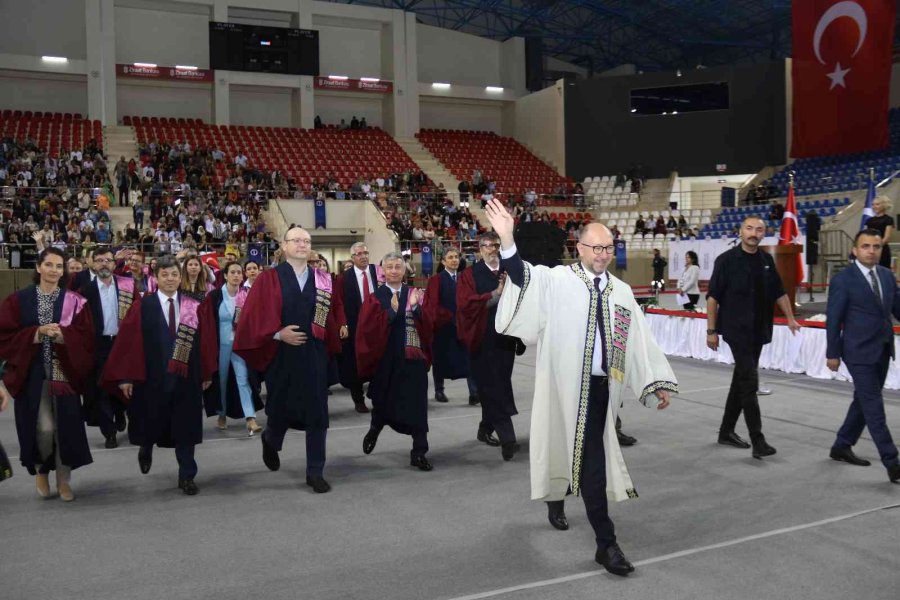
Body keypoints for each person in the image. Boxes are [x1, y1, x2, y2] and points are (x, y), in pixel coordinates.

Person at [484, 198, 677, 576]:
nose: (603, 255)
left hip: (605, 392)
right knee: (591, 463)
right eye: (596, 248)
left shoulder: (621, 292)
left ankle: (559, 497)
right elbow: (522, 277)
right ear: (580, 248)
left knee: (582, 453)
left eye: (608, 248)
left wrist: (653, 382)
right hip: (567, 387)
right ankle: (606, 544)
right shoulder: (558, 280)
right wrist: (508, 239)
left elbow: (637, 341)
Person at [234, 227, 343, 494]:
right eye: (296, 240)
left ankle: (315, 471)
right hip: (281, 354)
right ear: (283, 245)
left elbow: (330, 315)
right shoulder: (269, 278)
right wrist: (277, 333)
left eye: (306, 241)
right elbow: (253, 316)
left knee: (318, 412)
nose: (302, 245)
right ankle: (271, 440)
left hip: (314, 353)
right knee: (281, 408)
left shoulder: (323, 279)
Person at [102, 255, 216, 496]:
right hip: (152, 377)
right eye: (165, 275)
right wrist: (125, 377)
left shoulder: (194, 306)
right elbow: (129, 343)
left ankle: (187, 475)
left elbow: (206, 342)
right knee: (150, 420)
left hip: (187, 376)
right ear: (156, 277)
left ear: (180, 276)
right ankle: (146, 447)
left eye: (175, 274)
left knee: (186, 428)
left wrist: (206, 372)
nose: (170, 279)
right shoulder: (143, 306)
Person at [0, 248, 96, 501]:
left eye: (59, 266)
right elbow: (5, 336)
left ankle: (64, 481)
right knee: (43, 427)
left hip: (64, 374)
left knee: (65, 427)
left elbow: (87, 338)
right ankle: (42, 469)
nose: (54, 270)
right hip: (33, 374)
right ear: (39, 267)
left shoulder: (74, 300)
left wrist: (64, 336)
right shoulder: (18, 300)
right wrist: (37, 333)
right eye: (49, 265)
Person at [706, 216, 800, 458]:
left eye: (759, 230)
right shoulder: (725, 261)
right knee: (749, 382)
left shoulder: (766, 260)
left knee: (741, 380)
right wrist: (711, 330)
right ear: (741, 231)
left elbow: (780, 293)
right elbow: (713, 297)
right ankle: (758, 440)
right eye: (749, 228)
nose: (754, 233)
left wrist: (790, 318)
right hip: (736, 331)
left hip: (759, 330)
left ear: (763, 234)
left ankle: (726, 431)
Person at [825, 229, 900, 483]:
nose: (871, 251)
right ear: (855, 250)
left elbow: (896, 308)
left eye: (876, 246)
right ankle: (893, 462)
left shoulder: (887, 276)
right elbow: (834, 319)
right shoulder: (843, 279)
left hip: (882, 349)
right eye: (866, 246)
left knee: (864, 400)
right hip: (857, 351)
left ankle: (842, 444)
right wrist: (832, 353)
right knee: (874, 406)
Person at [356, 252, 434, 471]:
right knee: (383, 401)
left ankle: (419, 451)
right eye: (388, 267)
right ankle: (375, 429)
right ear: (383, 270)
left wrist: (417, 308)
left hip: (413, 359)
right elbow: (367, 330)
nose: (393, 271)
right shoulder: (376, 297)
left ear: (403, 270)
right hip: (387, 360)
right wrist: (390, 312)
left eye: (397, 267)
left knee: (418, 405)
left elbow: (429, 324)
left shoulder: (415, 293)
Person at [457, 232, 522, 461]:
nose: (491, 249)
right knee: (494, 386)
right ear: (479, 248)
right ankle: (508, 438)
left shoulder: (511, 271)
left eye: (495, 245)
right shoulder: (469, 274)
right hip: (482, 340)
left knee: (496, 384)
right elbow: (465, 305)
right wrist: (495, 294)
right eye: (486, 245)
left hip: (506, 341)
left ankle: (485, 429)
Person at [202, 262, 263, 436]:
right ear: (226, 275)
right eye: (232, 272)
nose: (236, 275)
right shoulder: (214, 296)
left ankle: (250, 417)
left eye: (238, 272)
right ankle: (222, 413)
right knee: (221, 380)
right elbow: (208, 323)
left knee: (242, 379)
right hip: (220, 346)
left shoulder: (246, 295)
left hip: (240, 345)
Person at [78, 247, 128, 448]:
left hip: (122, 344)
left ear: (114, 264)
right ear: (92, 264)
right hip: (98, 346)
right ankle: (109, 432)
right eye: (99, 260)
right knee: (100, 390)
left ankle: (120, 412)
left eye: (108, 260)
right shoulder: (85, 291)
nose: (104, 264)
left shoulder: (126, 287)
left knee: (122, 386)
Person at [333, 242, 383, 413]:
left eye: (366, 253)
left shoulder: (379, 273)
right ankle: (358, 399)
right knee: (354, 363)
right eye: (359, 254)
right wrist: (342, 324)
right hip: (354, 325)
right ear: (353, 258)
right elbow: (338, 303)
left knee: (380, 360)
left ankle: (377, 395)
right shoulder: (343, 278)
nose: (363, 256)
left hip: (378, 324)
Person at [425, 247, 478, 405]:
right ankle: (439, 390)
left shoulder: (466, 278)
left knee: (470, 359)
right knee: (439, 359)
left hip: (464, 327)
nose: (454, 260)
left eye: (456, 257)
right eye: (450, 257)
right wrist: (449, 317)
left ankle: (474, 392)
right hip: (444, 328)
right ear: (443, 261)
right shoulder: (436, 280)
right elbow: (433, 305)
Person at [863, 195, 894, 268]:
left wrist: (877, 247)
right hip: (870, 250)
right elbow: (864, 235)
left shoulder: (888, 219)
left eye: (877, 204)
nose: (874, 206)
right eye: (873, 204)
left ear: (883, 205)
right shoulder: (869, 220)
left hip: (882, 250)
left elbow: (887, 237)